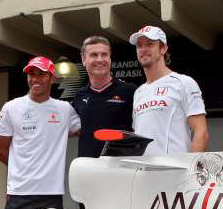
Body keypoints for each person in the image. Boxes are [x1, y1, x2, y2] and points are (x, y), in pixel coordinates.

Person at [0, 56, 81, 209]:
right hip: (18, 193)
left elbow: (83, 132)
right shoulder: (11, 107)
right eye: (31, 74)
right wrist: (21, 170)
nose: (35, 79)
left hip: (51, 194)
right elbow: (0, 151)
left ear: (52, 78)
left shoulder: (64, 109)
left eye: (41, 74)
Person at [128, 26, 208, 154]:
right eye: (139, 45)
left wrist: (191, 164)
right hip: (143, 165)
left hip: (175, 165)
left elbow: (201, 132)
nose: (143, 49)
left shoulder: (184, 82)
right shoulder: (139, 92)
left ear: (163, 48)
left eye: (149, 44)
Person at [72, 36, 135, 159]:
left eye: (104, 54)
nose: (100, 59)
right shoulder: (79, 95)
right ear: (84, 59)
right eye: (94, 55)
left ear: (110, 58)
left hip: (120, 166)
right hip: (87, 165)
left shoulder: (130, 91)